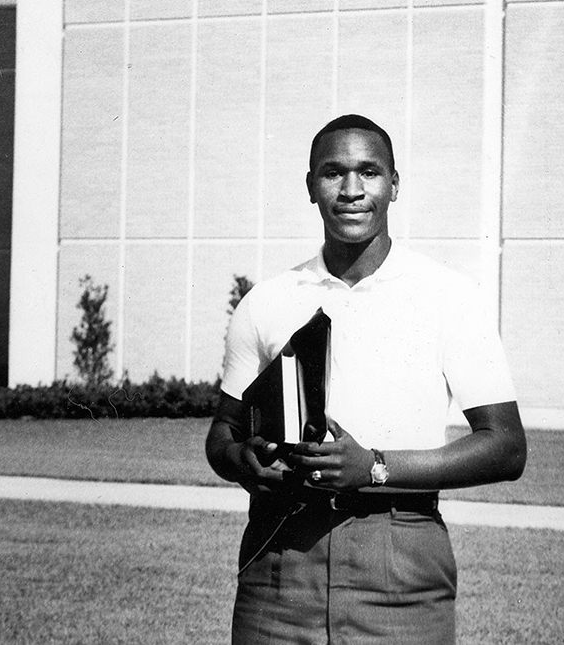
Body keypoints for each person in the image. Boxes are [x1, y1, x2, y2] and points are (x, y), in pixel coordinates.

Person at [205, 114, 527, 644]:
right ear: (311, 186)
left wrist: (372, 467)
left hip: (399, 555)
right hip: (280, 558)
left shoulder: (449, 296)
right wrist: (244, 460)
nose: (352, 191)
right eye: (333, 173)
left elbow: (506, 447)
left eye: (369, 173)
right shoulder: (266, 301)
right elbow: (222, 433)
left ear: (394, 184)